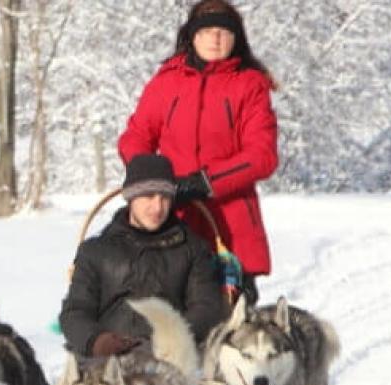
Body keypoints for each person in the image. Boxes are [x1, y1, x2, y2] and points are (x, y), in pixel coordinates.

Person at [118, 0, 278, 305]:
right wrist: (149, 176)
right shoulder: (166, 81)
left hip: (232, 223)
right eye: (207, 31)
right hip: (171, 213)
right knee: (167, 321)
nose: (215, 38)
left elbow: (262, 155)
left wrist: (205, 182)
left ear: (236, 38)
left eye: (223, 31)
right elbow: (136, 135)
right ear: (192, 36)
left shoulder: (250, 85)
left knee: (229, 329)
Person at [59, 154, 226, 358]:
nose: (157, 207)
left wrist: (172, 339)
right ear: (131, 197)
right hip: (107, 363)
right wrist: (97, 342)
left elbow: (206, 309)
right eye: (149, 196)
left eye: (165, 197)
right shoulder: (96, 250)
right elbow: (75, 312)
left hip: (170, 360)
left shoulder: (193, 249)